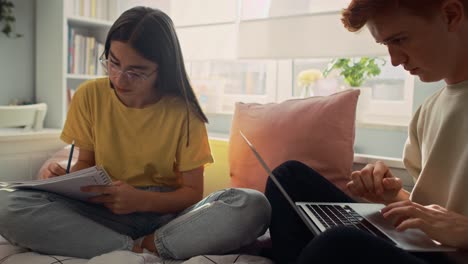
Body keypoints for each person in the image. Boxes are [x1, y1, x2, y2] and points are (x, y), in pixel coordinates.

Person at [0, 6, 271, 260]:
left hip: (168, 218)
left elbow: (192, 193)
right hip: (102, 210)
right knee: (5, 200)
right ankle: (137, 249)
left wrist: (141, 199)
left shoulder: (184, 112)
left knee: (252, 204)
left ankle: (147, 244)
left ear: (161, 70)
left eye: (136, 71)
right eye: (113, 63)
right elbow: (86, 165)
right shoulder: (89, 96)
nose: (119, 78)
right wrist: (64, 176)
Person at [264, 0, 468, 263]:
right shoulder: (429, 110)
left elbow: (448, 221)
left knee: (338, 243)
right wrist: (388, 195)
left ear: (451, 15)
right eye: (386, 45)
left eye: (400, 39)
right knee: (288, 178)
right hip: (425, 247)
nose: (394, 60)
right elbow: (430, 208)